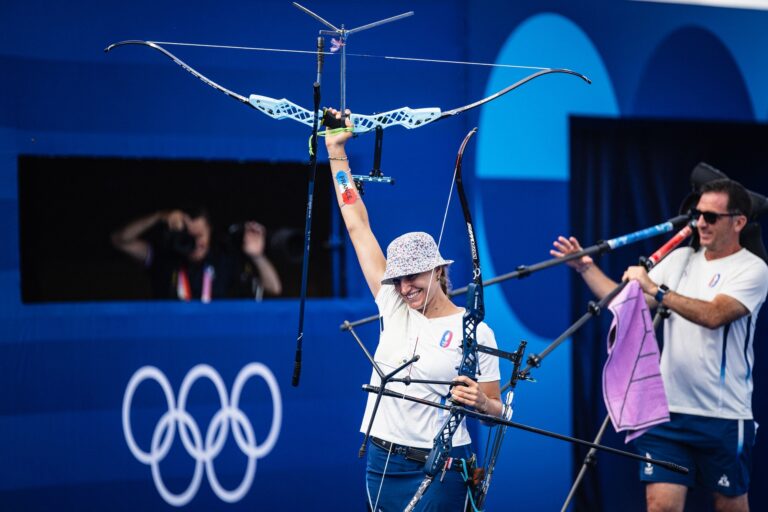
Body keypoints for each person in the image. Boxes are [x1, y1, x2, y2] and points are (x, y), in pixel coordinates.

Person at [551, 179, 768, 512]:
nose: (700, 223)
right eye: (697, 214)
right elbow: (623, 300)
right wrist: (585, 267)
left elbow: (714, 315)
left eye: (711, 217)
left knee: (730, 507)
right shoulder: (680, 259)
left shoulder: (753, 269)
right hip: (666, 412)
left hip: (724, 414)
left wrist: (657, 290)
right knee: (660, 506)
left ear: (738, 222)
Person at [323, 109, 502, 511]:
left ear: (438, 270)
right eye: (399, 279)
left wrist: (481, 403)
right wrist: (336, 151)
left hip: (442, 468)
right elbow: (356, 225)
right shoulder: (393, 302)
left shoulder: (475, 331)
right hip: (382, 462)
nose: (405, 287)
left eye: (415, 276)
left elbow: (496, 413)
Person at [111, 208, 282, 300]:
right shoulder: (164, 256)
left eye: (200, 235)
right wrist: (158, 216)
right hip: (170, 339)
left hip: (212, 340)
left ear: (210, 231)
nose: (194, 242)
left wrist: (257, 256)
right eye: (188, 236)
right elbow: (119, 240)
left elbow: (274, 288)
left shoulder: (224, 259)